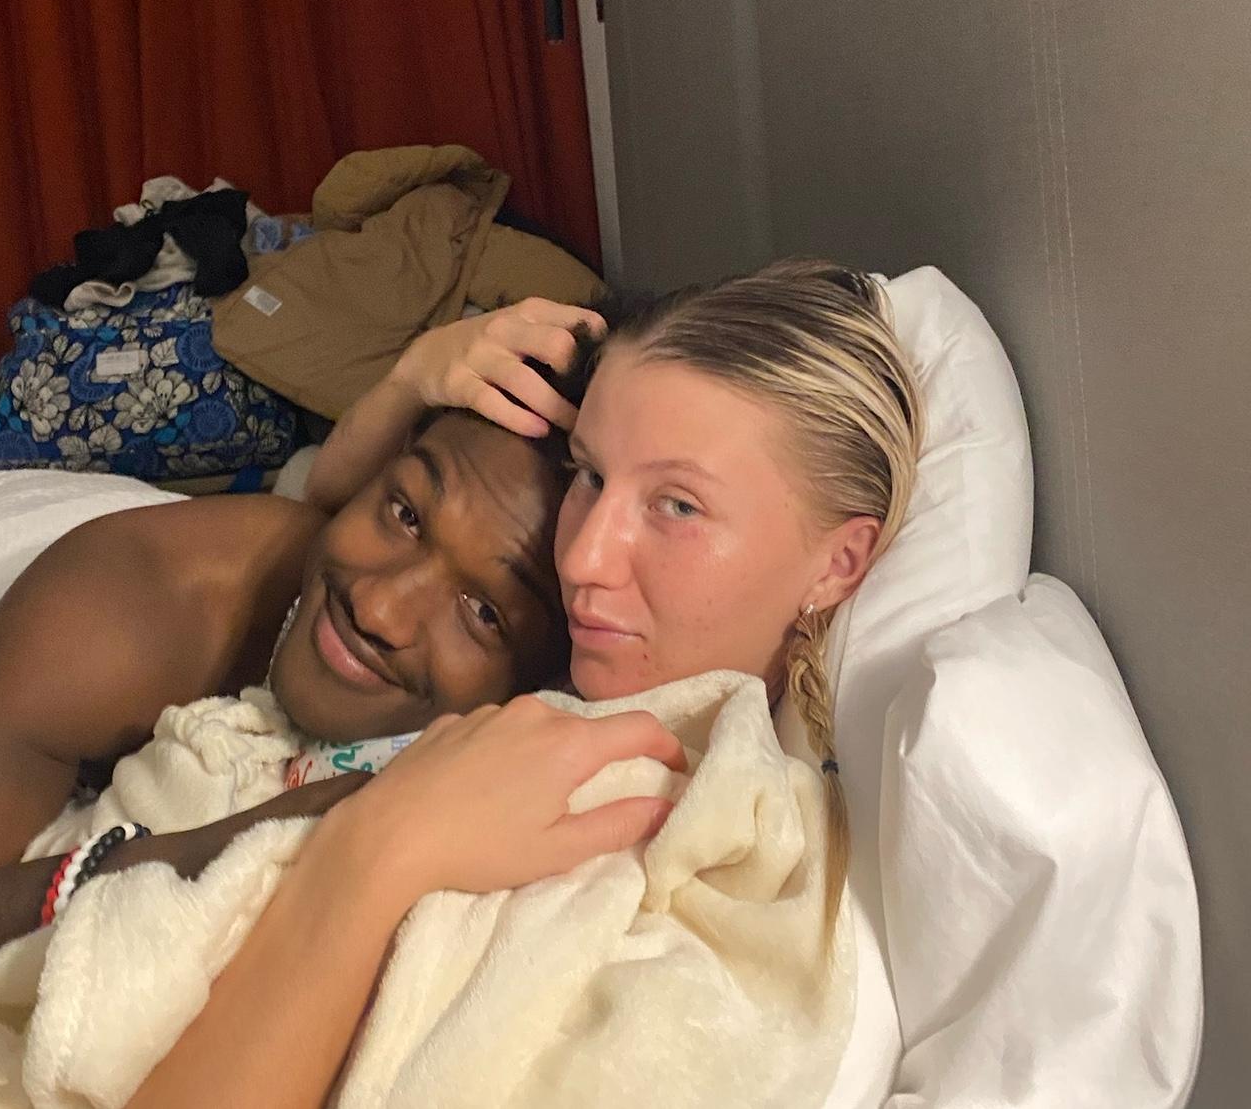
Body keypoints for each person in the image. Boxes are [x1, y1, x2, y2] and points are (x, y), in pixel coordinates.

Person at [128, 256, 924, 1109]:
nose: (580, 559)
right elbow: (328, 507)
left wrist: (379, 847)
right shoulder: (555, 666)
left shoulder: (727, 859)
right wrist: (410, 379)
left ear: (838, 564)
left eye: (677, 506)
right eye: (590, 476)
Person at [0, 297, 603, 1054]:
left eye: (484, 613)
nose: (381, 608)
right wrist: (191, 855)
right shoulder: (133, 606)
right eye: (404, 513)